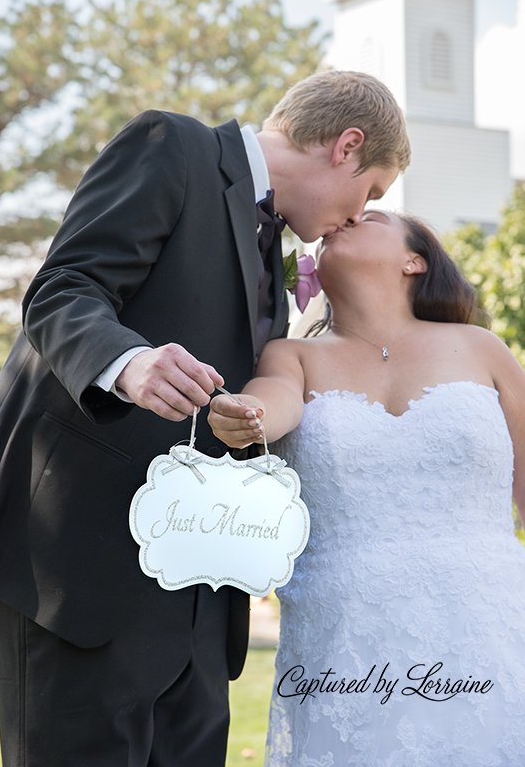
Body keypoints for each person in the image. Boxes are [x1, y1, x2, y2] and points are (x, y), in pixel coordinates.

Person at [0, 71, 409, 766]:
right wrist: (128, 363)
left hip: (199, 603)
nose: (359, 216)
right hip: (80, 571)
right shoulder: (172, 145)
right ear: (347, 145)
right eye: (370, 193)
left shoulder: (271, 248)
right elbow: (64, 289)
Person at [208, 210, 525, 766]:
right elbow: (272, 401)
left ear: (415, 260)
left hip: (490, 624)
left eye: (371, 216)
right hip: (344, 638)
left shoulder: (482, 348)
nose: (345, 219)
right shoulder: (292, 355)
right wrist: (246, 413)